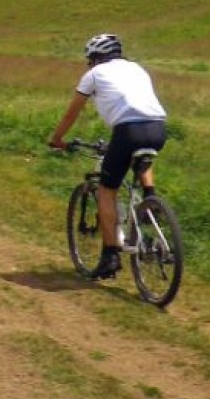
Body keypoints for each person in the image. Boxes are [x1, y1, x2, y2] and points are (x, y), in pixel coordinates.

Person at [48, 33, 167, 279]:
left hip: (127, 131)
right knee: (141, 158)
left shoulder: (94, 74)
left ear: (95, 58)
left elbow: (72, 113)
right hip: (157, 128)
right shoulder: (136, 68)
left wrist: (57, 139)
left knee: (106, 191)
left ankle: (110, 255)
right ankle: (150, 199)